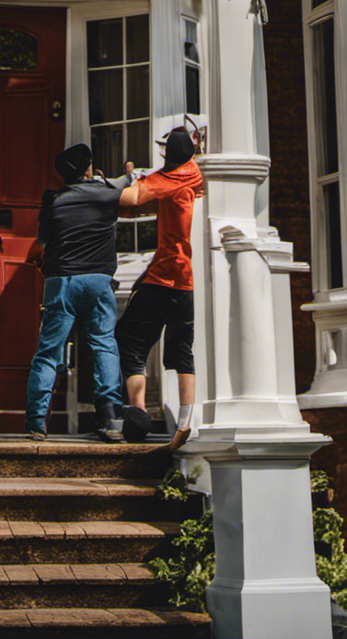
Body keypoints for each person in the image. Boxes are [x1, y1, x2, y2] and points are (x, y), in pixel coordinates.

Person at [24, 143, 130, 443]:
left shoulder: (52, 199)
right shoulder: (108, 192)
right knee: (104, 345)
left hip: (62, 282)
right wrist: (112, 178)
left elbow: (42, 241)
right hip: (98, 281)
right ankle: (110, 419)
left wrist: (33, 259)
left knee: (48, 351)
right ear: (88, 168)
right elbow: (129, 181)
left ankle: (36, 423)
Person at [116, 129, 202, 451]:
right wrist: (140, 176)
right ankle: (184, 422)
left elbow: (132, 198)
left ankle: (137, 414)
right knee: (183, 350)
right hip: (185, 282)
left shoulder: (169, 179)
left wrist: (109, 186)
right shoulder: (193, 173)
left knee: (130, 340)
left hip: (165, 277)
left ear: (168, 157)